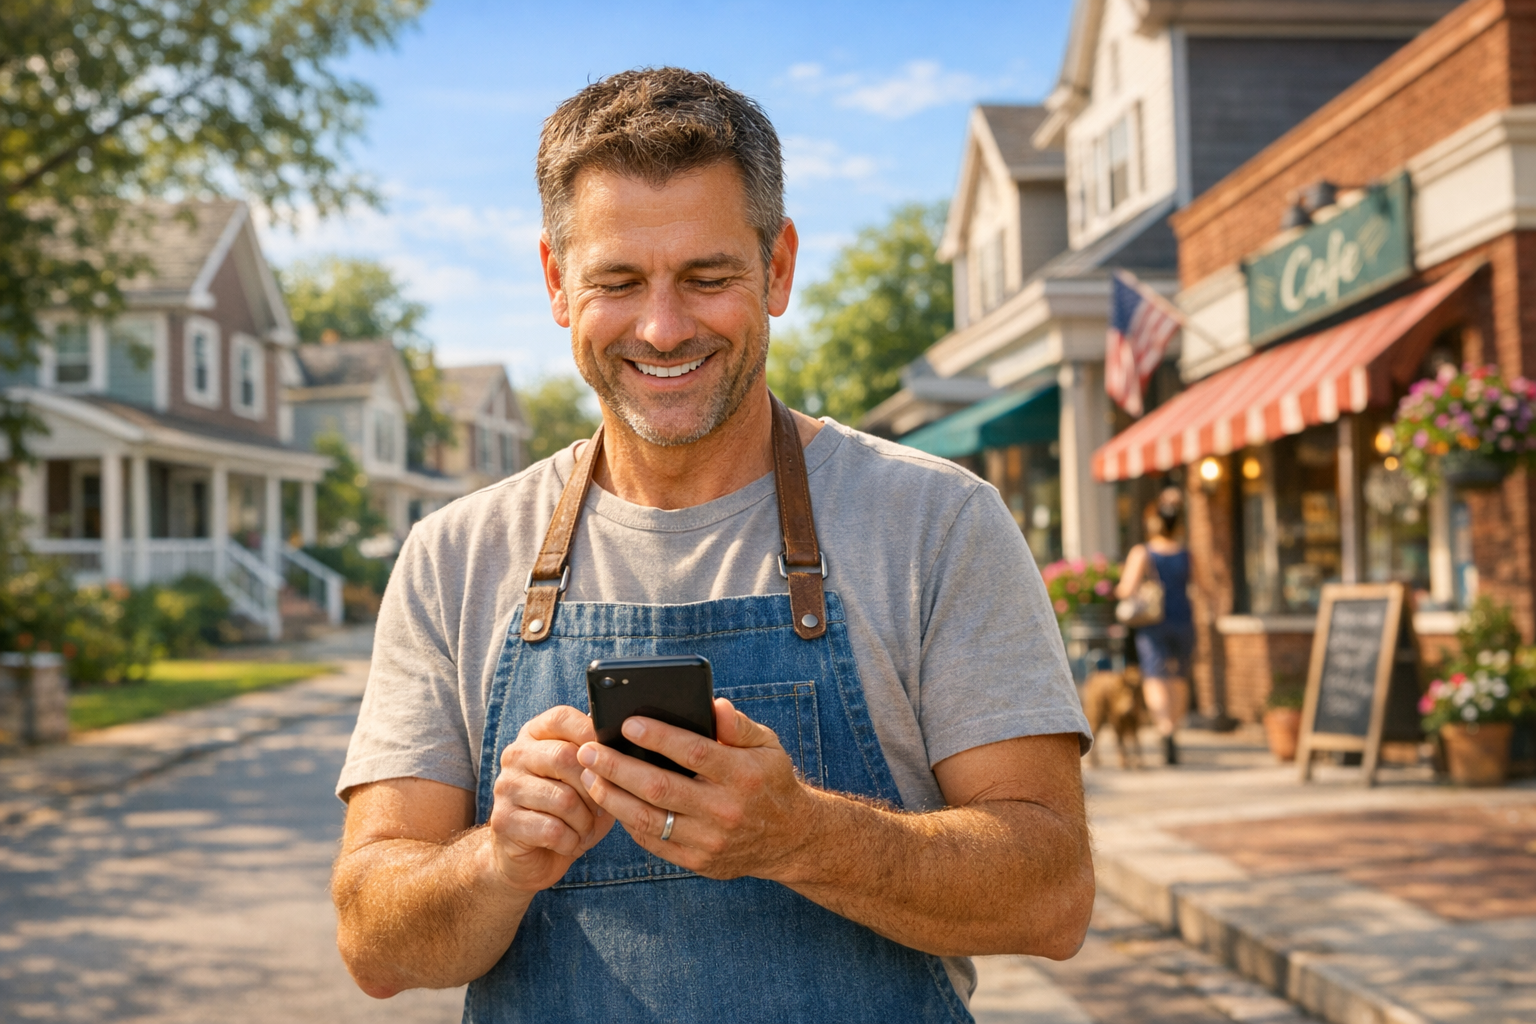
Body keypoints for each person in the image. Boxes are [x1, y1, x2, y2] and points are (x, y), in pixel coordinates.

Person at [329, 68, 1094, 1024]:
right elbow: (374, 944)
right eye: (618, 281)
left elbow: (1053, 893)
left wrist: (802, 836)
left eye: (707, 276)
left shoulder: (936, 523)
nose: (662, 327)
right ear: (557, 283)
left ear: (777, 270)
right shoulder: (456, 558)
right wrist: (499, 858)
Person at [1115, 489, 1194, 766]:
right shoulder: (1185, 552)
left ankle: (1165, 729)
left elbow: (1126, 588)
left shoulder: (1143, 552)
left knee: (1155, 674)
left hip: (1153, 623)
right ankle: (1175, 726)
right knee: (1179, 676)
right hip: (1183, 619)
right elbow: (1204, 587)